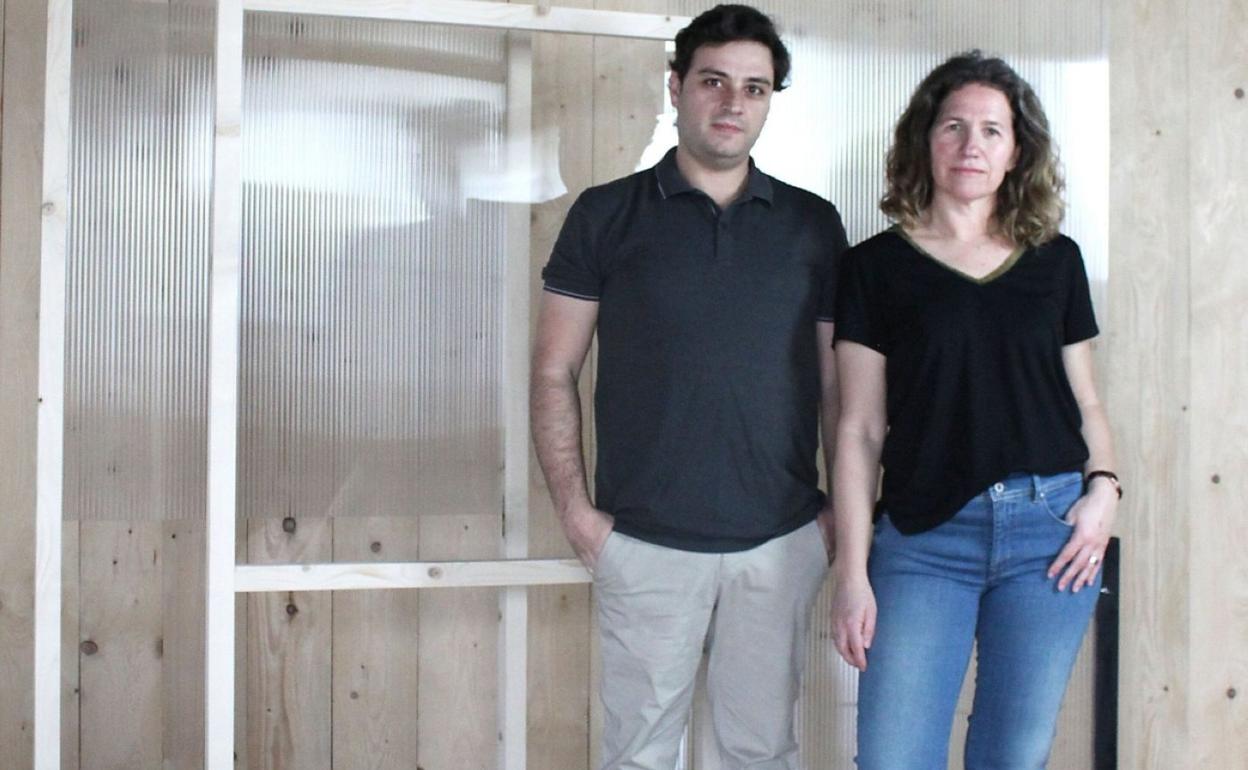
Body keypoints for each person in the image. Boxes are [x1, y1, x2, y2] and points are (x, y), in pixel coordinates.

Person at [531, 5, 847, 768]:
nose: (733, 103)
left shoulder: (812, 225)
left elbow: (841, 388)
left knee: (760, 752)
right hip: (643, 543)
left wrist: (838, 517)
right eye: (714, 81)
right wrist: (576, 513)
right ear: (676, 88)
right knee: (638, 754)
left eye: (755, 88)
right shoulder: (606, 214)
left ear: (770, 101)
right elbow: (552, 371)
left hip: (779, 543)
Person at [830, 50, 1120, 769]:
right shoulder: (873, 267)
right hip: (924, 538)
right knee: (894, 757)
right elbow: (858, 430)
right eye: (953, 126)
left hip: (1050, 536)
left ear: (1017, 151)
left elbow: (1085, 398)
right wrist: (852, 573)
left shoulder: (1056, 261)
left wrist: (1105, 490)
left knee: (1012, 757)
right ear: (925, 140)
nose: (971, 145)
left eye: (992, 130)